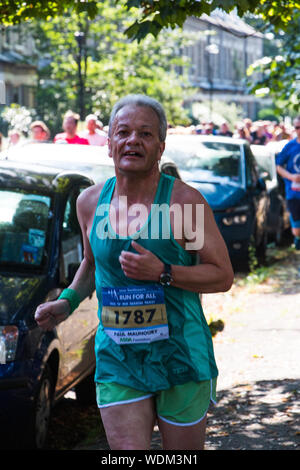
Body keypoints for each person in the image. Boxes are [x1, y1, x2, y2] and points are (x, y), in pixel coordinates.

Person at [35, 94, 234, 450]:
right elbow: (92, 264)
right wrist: (66, 302)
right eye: (123, 132)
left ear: (160, 147)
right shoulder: (90, 202)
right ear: (109, 143)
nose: (133, 140)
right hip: (119, 355)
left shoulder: (183, 203)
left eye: (145, 134)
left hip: (181, 354)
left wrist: (164, 272)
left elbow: (221, 275)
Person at [276, 115, 300, 250]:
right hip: (293, 193)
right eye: (297, 127)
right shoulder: (290, 146)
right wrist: (291, 177)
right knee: (297, 230)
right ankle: (297, 238)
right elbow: (278, 166)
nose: (299, 130)